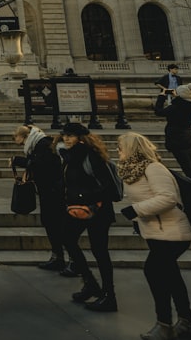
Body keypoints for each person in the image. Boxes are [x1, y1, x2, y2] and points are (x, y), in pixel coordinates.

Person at [116, 132, 191, 340]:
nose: (118, 151)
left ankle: (165, 324)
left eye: (121, 147)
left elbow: (168, 198)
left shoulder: (154, 168)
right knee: (170, 276)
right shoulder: (133, 171)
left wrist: (135, 210)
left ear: (133, 149)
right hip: (157, 232)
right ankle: (185, 323)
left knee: (154, 272)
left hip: (171, 232)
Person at [58, 122, 119, 312]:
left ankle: (109, 295)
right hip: (78, 208)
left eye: (71, 135)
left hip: (98, 210)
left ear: (81, 138)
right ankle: (90, 282)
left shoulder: (91, 156)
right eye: (65, 135)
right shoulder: (69, 156)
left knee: (99, 251)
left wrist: (87, 199)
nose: (66, 138)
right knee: (66, 238)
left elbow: (107, 186)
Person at [12, 125, 66, 272]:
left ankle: (61, 258)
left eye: (18, 139)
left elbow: (42, 165)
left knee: (53, 223)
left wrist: (19, 161)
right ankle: (58, 256)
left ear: (24, 137)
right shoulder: (37, 144)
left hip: (53, 191)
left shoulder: (43, 145)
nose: (22, 144)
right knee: (49, 222)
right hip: (47, 190)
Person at [154, 84, 191, 190]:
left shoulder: (175, 107)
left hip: (178, 139)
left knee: (189, 168)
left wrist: (161, 97)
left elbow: (158, 111)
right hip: (189, 136)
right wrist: (181, 96)